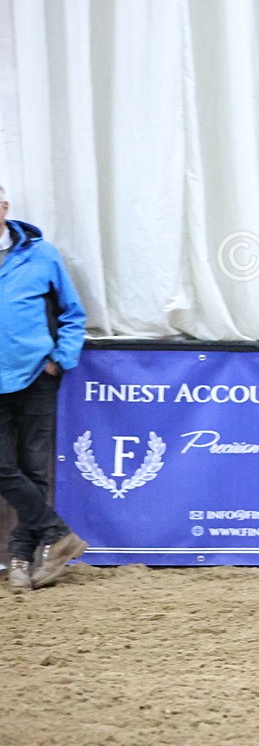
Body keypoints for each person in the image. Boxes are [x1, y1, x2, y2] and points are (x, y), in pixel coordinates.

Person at [0, 182, 88, 590]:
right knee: (3, 468)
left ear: (4, 207)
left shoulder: (42, 254)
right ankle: (57, 533)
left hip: (35, 376)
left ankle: (22, 558)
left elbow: (73, 312)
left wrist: (60, 359)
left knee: (35, 467)